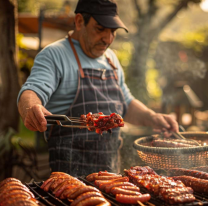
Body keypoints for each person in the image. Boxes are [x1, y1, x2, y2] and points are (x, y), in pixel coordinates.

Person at [17, 0, 178, 176]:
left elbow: (126, 104)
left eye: (113, 32)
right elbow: (32, 90)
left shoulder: (111, 59)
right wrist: (31, 108)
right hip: (70, 179)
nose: (108, 39)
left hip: (110, 178)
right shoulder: (54, 55)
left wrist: (154, 118)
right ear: (79, 22)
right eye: (100, 29)